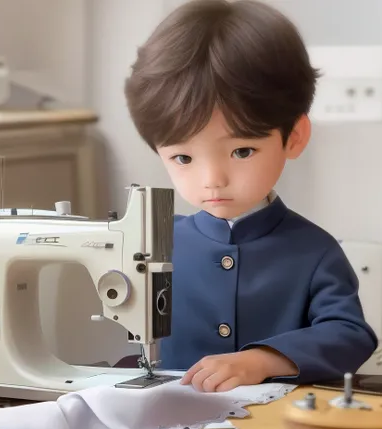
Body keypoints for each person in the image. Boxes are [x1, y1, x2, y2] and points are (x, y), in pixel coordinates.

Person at [123, 0, 378, 392]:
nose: (212, 180)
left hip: (280, 427)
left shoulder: (315, 251)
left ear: (294, 137)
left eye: (241, 151)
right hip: (175, 423)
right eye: (183, 157)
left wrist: (263, 360)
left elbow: (350, 334)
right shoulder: (155, 245)